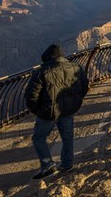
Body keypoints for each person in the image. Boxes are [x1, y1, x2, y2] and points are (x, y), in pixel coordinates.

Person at [25, 44, 89, 179]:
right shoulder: (76, 68)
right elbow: (84, 87)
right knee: (67, 137)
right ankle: (67, 164)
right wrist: (74, 103)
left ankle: (47, 165)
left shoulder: (42, 72)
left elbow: (31, 95)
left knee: (38, 138)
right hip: (68, 110)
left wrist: (38, 111)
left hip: (49, 112)